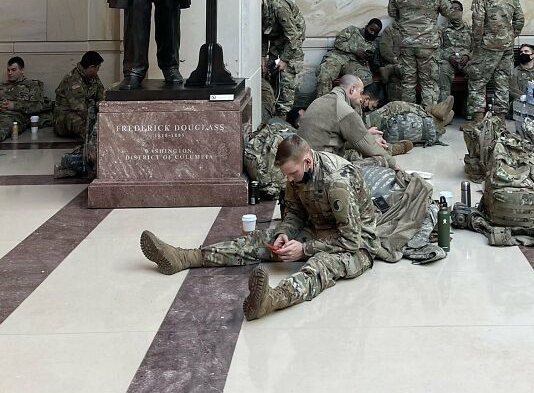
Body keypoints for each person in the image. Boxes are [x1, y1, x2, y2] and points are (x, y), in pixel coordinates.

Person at [140, 134, 381, 319]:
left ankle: (272, 300)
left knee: (321, 265)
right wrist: (285, 233)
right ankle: (185, 257)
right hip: (318, 228)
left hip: (356, 245)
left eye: (292, 174)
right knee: (259, 241)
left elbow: (351, 240)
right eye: (286, 175)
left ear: (307, 161)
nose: (289, 180)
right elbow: (296, 212)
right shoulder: (297, 174)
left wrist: (305, 250)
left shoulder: (337, 182)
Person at [297, 75, 410, 164]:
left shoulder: (320, 101)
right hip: (320, 163)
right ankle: (390, 150)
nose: (361, 97)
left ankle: (389, 148)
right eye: (360, 93)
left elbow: (334, 138)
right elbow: (366, 145)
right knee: (374, 158)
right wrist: (394, 164)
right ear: (352, 90)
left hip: (305, 157)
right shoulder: (343, 108)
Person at [387, 0, 452, 109]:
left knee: (408, 83)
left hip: (406, 44)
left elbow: (392, 12)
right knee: (429, 83)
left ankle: (409, 121)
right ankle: (429, 120)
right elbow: (449, 12)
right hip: (427, 46)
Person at [467, 0, 524, 121]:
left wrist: (476, 43)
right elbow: (519, 19)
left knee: (477, 81)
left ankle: (478, 121)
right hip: (506, 46)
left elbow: (478, 21)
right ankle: (500, 123)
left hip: (487, 45)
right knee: (502, 83)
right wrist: (511, 36)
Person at [361, 82, 453, 147]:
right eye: (373, 106)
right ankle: (433, 114)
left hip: (364, 123)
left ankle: (432, 114)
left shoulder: (357, 99)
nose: (371, 108)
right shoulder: (356, 100)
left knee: (394, 108)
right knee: (392, 107)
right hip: (364, 124)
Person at [261, 0, 306, 116]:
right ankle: (273, 114)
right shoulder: (256, 10)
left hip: (292, 43)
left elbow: (293, 36)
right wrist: (262, 57)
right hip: (276, 42)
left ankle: (283, 118)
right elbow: (262, 35)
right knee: (272, 76)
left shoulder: (279, 8)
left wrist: (284, 60)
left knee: (286, 80)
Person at [315, 18, 383, 96]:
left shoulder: (374, 45)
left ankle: (355, 106)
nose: (372, 33)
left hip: (354, 64)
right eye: (371, 29)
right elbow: (338, 42)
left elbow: (374, 64)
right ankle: (322, 103)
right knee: (324, 74)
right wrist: (355, 50)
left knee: (366, 78)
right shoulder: (352, 30)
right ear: (366, 26)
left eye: (376, 33)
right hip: (337, 57)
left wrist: (367, 59)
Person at [54, 51, 104, 140]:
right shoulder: (72, 80)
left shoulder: (93, 77)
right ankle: (94, 144)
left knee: (102, 122)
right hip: (65, 119)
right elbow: (80, 108)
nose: (98, 70)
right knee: (85, 124)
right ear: (91, 67)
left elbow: (101, 96)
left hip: (87, 112)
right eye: (98, 67)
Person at [0, 57, 50, 141]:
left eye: (13, 70)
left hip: (15, 117)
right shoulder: (2, 85)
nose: (10, 73)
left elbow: (38, 106)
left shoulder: (32, 85)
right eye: (8, 70)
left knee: (4, 126)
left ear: (22, 70)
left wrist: (14, 106)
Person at [438, 0, 472, 103]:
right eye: (452, 9)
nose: (455, 11)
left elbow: (477, 49)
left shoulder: (470, 29)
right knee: (442, 71)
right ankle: (444, 109)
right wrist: (449, 57)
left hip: (466, 61)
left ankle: (473, 110)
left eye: (458, 9)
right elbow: (437, 49)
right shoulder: (441, 30)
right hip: (448, 61)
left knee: (476, 71)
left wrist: (467, 57)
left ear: (462, 12)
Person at [377, 22, 403, 101]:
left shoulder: (418, 29)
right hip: (397, 63)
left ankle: (391, 69)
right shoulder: (390, 30)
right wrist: (395, 60)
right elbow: (385, 51)